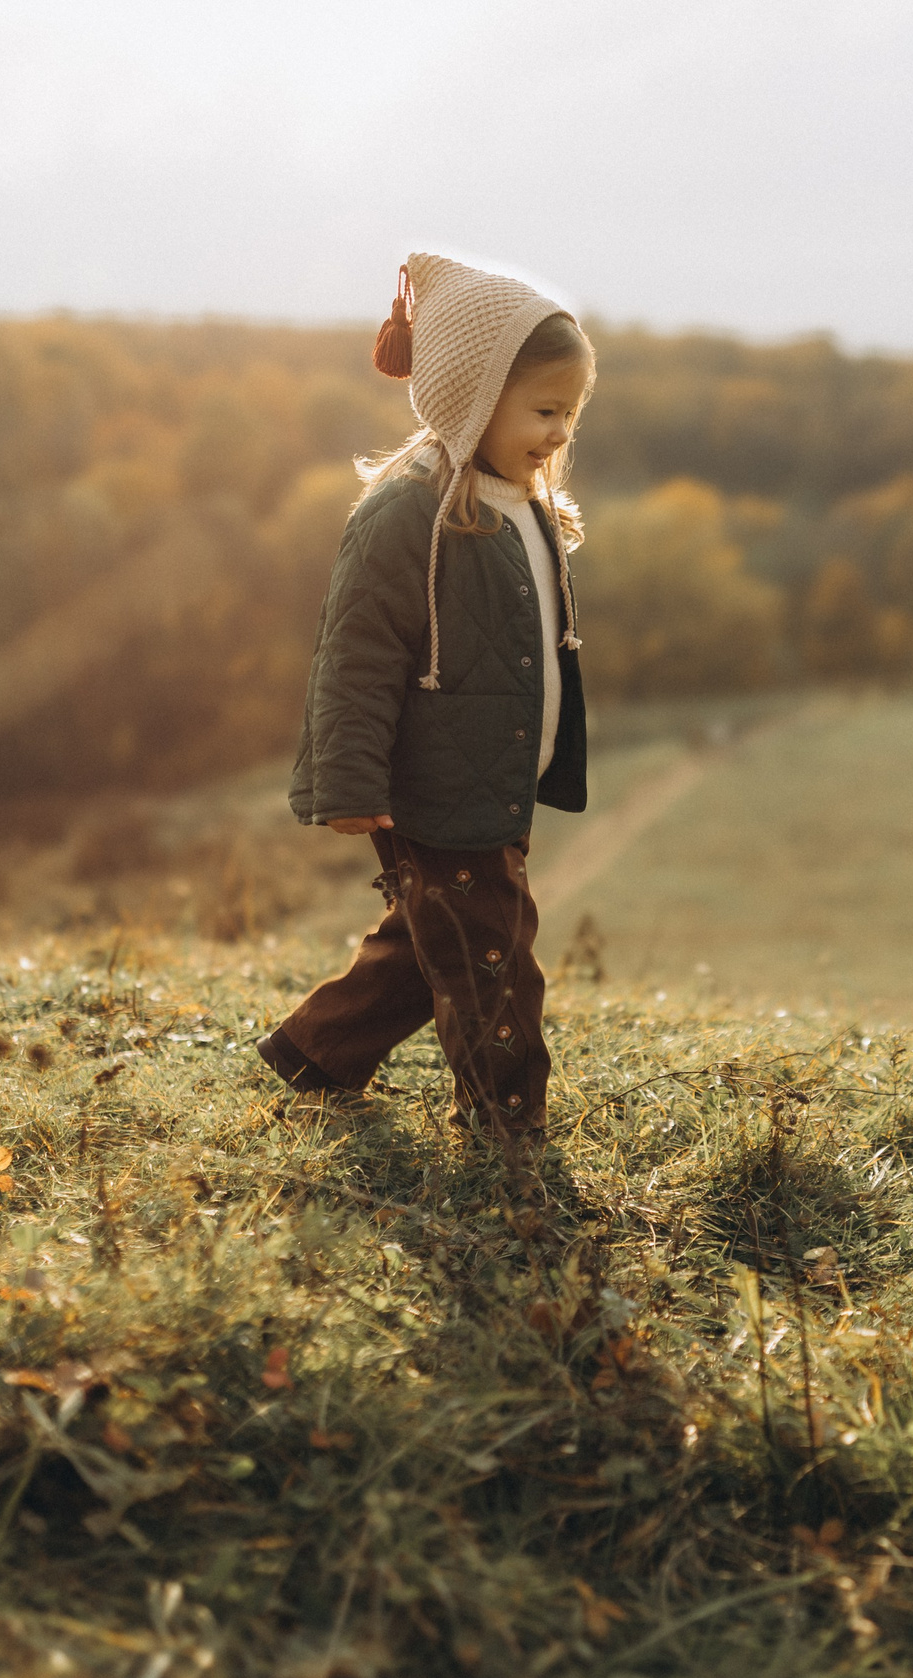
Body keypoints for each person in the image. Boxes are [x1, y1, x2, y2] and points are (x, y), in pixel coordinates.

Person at [257, 253, 592, 1169]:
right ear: (473, 398)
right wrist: (351, 780)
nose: (559, 432)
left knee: (430, 937)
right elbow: (355, 657)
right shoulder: (407, 515)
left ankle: (308, 1058)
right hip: (433, 781)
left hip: (494, 780)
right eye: (543, 411)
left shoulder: (523, 502)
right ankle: (507, 1125)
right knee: (492, 958)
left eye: (570, 413)